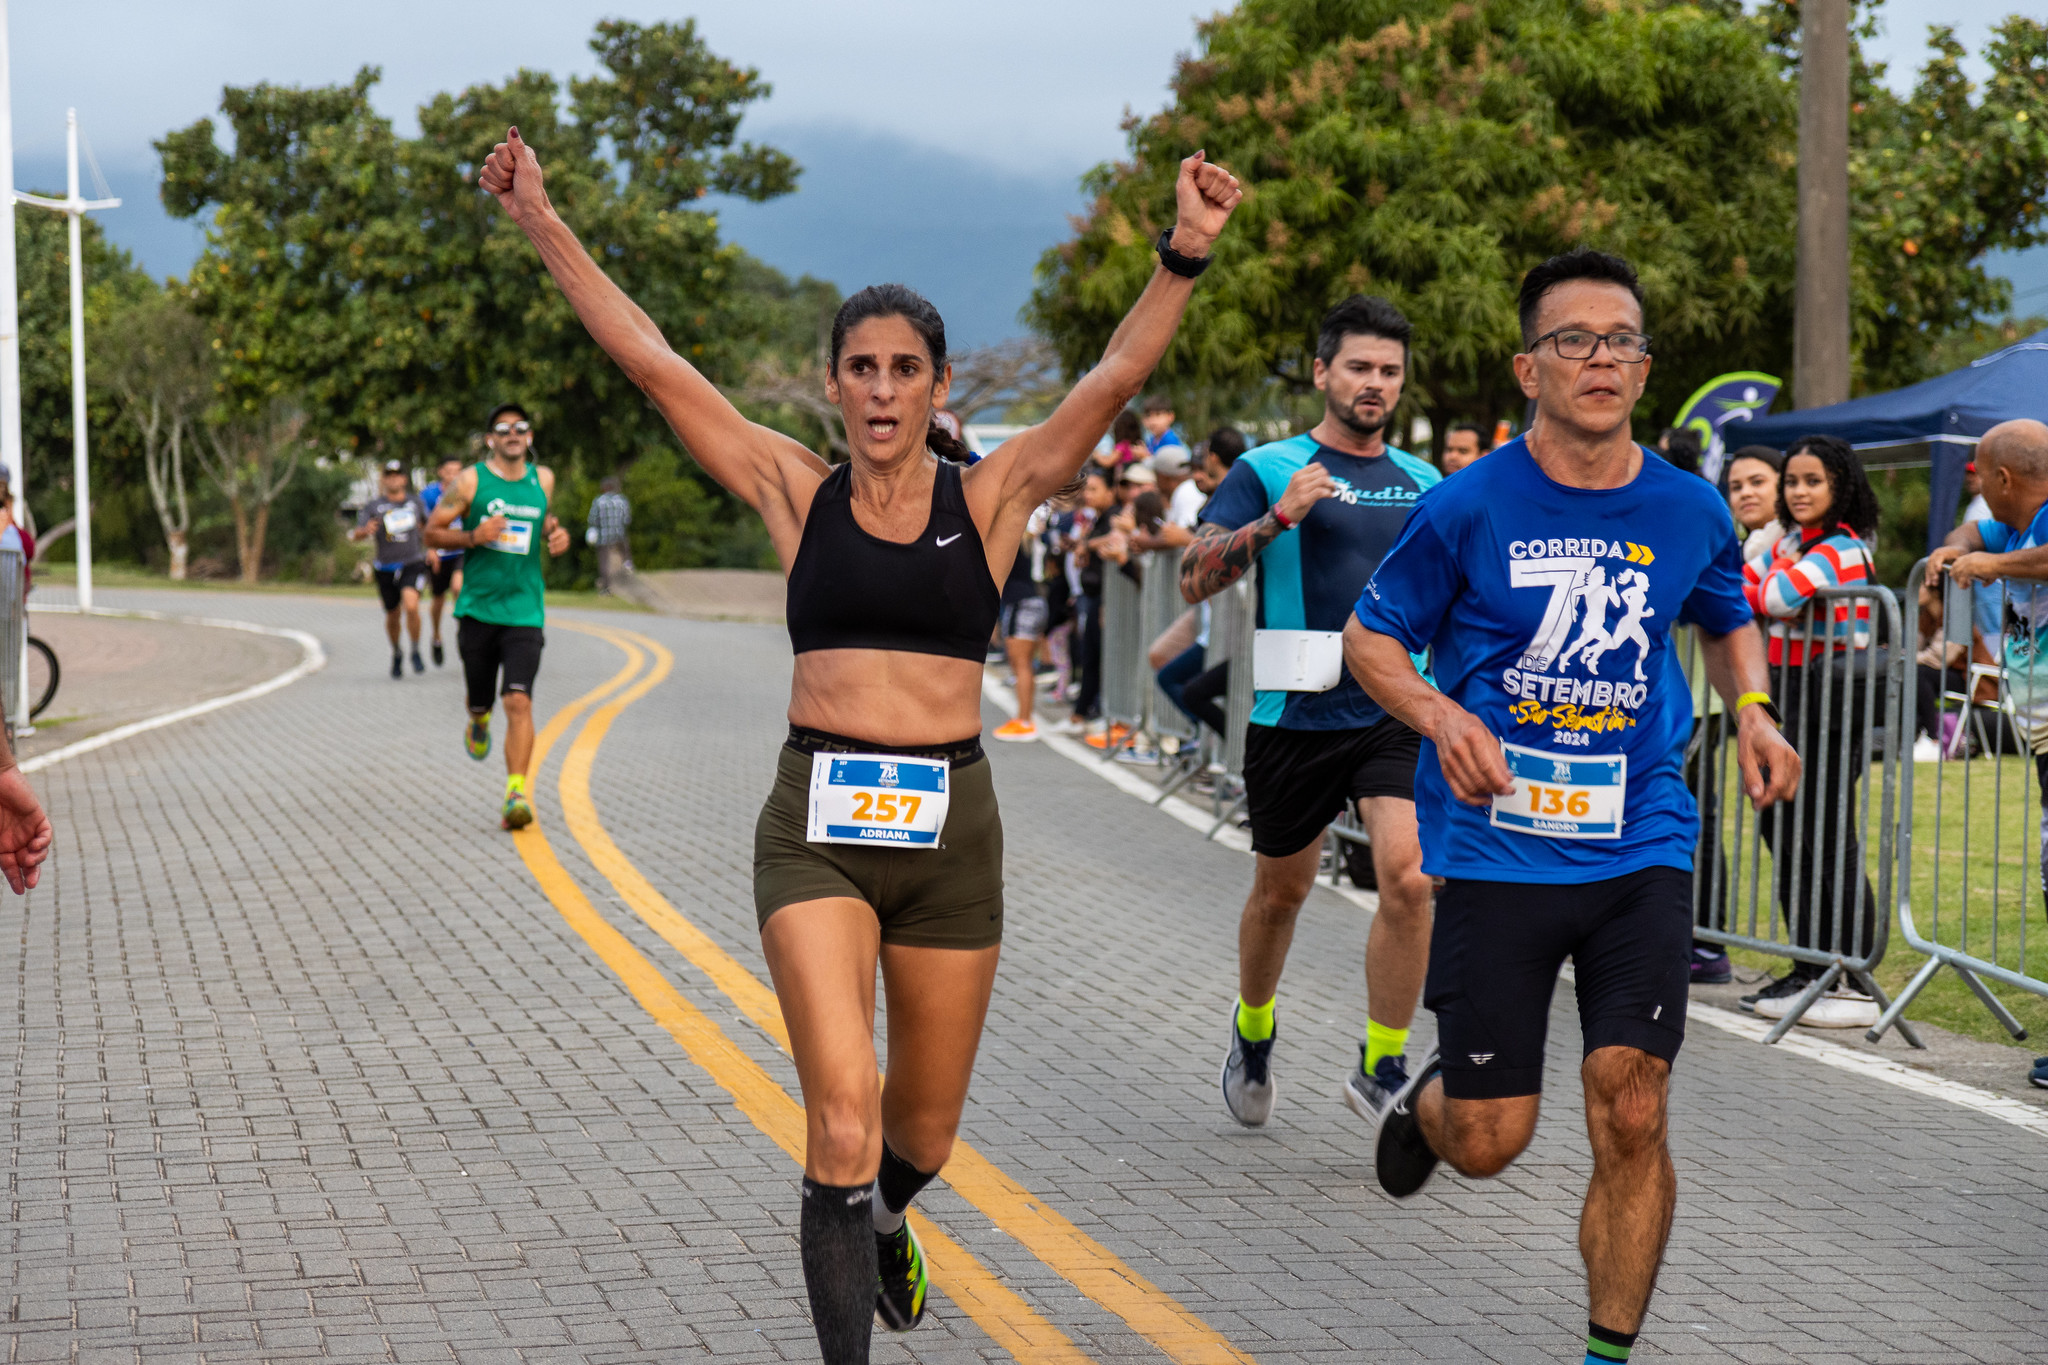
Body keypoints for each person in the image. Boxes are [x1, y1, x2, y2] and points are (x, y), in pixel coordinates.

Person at [478, 124, 1242, 1363]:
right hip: (815, 828)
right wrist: (540, 220)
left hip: (951, 832)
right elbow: (652, 362)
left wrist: (1183, 252)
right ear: (831, 386)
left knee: (919, 1135)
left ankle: (886, 1217)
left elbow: (1107, 381)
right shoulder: (794, 490)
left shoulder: (989, 498)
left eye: (904, 370)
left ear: (936, 389)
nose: (882, 390)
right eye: (860, 369)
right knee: (840, 1116)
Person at [1346, 247, 1799, 1365]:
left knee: (1631, 1102)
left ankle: (1607, 1354)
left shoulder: (1689, 506)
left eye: (1620, 342)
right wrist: (1441, 718)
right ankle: (1431, 1106)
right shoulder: (1466, 504)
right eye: (1572, 341)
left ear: (1642, 368)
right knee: (1490, 1141)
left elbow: (1724, 612)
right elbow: (1371, 637)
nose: (1600, 358)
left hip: (1639, 836)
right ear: (1527, 368)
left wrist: (1751, 709)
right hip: (1496, 847)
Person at [1180, 293, 1441, 1133]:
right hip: (1294, 712)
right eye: (1360, 366)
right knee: (1280, 892)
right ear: (1324, 371)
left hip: (1394, 706)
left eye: (1390, 370)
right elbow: (1193, 576)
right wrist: (1279, 517)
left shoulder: (1426, 483)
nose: (1375, 383)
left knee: (1410, 874)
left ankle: (1381, 1061)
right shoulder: (1268, 466)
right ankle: (1253, 1030)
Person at [1740, 434, 1883, 1028]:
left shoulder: (1843, 548)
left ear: (1839, 486)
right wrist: (1774, 584)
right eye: (1793, 482)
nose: (1799, 492)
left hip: (1829, 705)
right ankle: (1809, 966)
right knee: (1783, 831)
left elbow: (1772, 595)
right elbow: (1747, 589)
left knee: (1827, 836)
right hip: (1788, 698)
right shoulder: (1794, 544)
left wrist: (1772, 584)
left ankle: (1851, 979)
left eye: (1812, 481)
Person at [1924, 418, 2048, 1087]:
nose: (1978, 489)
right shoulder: (2018, 526)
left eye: (1980, 475)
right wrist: (1954, 550)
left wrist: (1989, 567)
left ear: (2003, 477)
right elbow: (1974, 537)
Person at [423, 402, 573, 831]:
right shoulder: (470, 481)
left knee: (519, 700)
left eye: (520, 427)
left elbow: (543, 520)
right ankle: (478, 719)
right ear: (491, 439)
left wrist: (555, 534)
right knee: (481, 700)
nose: (513, 434)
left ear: (529, 437)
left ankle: (516, 793)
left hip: (525, 610)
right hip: (478, 609)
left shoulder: (543, 479)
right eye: (503, 428)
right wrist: (474, 535)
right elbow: (431, 533)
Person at [350, 459, 432, 679]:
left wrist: (432, 549)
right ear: (384, 480)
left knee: (412, 605)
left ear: (404, 479)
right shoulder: (374, 506)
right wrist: (365, 531)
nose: (394, 479)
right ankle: (396, 651)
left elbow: (428, 529)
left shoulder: (415, 503)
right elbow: (356, 534)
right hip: (385, 566)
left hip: (412, 562)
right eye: (389, 475)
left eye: (398, 475)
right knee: (393, 614)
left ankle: (415, 648)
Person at [991, 504, 1049, 744]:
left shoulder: (1016, 540)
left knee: (1021, 663)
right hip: (1027, 601)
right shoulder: (1026, 540)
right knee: (1020, 664)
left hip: (1022, 603)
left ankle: (1025, 720)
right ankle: (1023, 717)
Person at [418, 455, 466, 666]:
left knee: (458, 587)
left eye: (458, 471)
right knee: (438, 599)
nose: (454, 475)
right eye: (449, 471)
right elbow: (422, 524)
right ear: (440, 472)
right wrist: (430, 549)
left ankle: (464, 631)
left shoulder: (466, 491)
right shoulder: (429, 495)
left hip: (460, 550)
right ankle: (436, 635)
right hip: (439, 553)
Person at [1725, 445, 1784, 561]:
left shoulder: (1805, 549)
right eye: (1736, 487)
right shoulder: (1727, 562)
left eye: (1757, 482)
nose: (1745, 493)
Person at [588, 476, 632, 595]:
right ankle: (627, 563)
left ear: (604, 488)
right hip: (619, 534)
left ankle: (606, 589)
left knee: (604, 562)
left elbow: (592, 519)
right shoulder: (622, 500)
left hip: (603, 536)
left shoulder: (598, 501)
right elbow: (627, 519)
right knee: (624, 547)